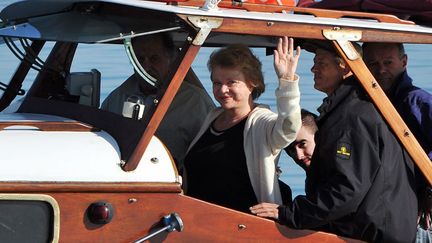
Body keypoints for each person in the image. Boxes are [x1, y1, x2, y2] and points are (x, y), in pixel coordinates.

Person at [251, 40, 418, 243]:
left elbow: (346, 189)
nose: (313, 68)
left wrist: (290, 213)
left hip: (369, 236)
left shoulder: (352, 115)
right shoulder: (355, 107)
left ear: (345, 67)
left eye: (321, 62)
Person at [183, 36, 302, 213]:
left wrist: (287, 82)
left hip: (243, 227)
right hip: (197, 221)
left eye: (232, 82)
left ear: (252, 83)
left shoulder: (261, 122)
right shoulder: (212, 117)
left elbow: (289, 128)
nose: (223, 90)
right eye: (217, 83)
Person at [101, 33, 215, 164]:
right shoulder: (117, 97)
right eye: (140, 59)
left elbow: (207, 155)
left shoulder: (195, 102)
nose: (146, 66)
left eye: (154, 58)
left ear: (171, 60)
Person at [363, 42, 432, 241]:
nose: (381, 69)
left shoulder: (418, 101)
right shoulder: (370, 103)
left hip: (420, 216)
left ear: (404, 62)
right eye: (373, 64)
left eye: (388, 62)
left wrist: (428, 190)